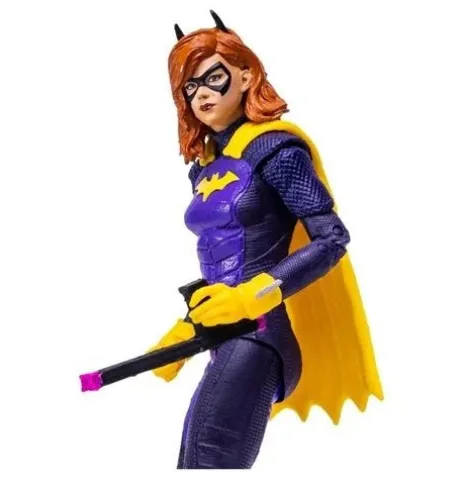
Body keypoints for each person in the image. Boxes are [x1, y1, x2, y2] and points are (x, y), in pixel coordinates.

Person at [148, 10, 383, 469]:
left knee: (208, 463)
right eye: (190, 87)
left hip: (259, 334)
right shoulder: (206, 167)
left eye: (213, 78)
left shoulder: (274, 148)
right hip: (226, 335)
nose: (201, 94)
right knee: (193, 459)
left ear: (246, 74)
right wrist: (191, 324)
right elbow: (227, 257)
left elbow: (332, 239)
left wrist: (251, 297)